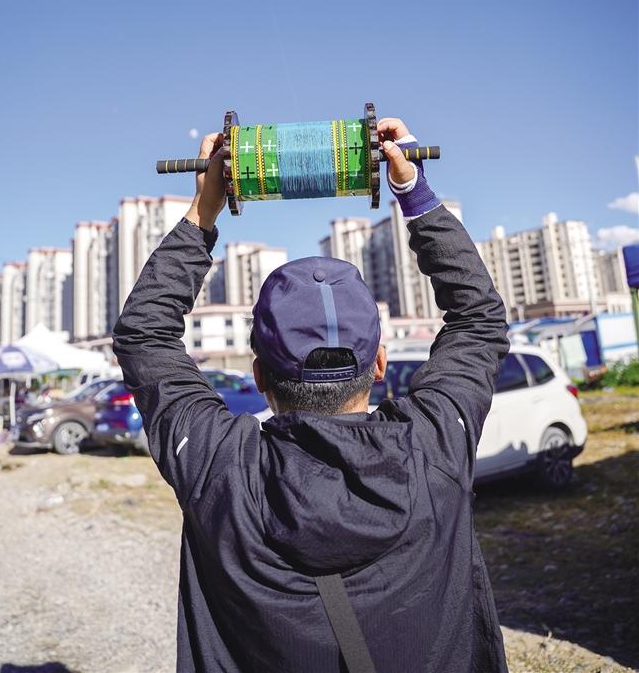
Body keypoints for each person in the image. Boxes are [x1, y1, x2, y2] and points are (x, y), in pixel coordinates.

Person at [113, 117, 510, 673]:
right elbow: (478, 319)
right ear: (379, 364)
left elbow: (144, 335)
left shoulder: (220, 467)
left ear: (258, 375)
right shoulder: (433, 448)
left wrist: (204, 209)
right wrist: (413, 191)